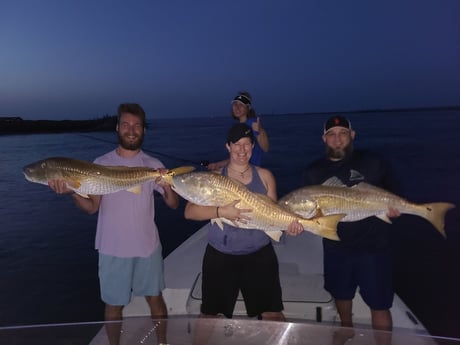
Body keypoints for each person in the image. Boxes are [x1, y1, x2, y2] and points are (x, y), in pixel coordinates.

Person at [48, 103, 178, 345]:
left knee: (155, 298)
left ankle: (162, 343)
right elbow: (92, 207)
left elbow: (172, 204)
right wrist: (73, 192)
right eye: (126, 124)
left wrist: (167, 184)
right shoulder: (99, 164)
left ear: (143, 131)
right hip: (112, 248)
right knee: (112, 306)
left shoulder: (152, 164)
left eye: (137, 125)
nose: (131, 130)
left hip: (147, 246)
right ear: (118, 128)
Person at [185, 123, 303, 322]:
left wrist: (289, 226)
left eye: (247, 144)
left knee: (272, 313)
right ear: (228, 147)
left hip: (259, 255)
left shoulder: (265, 176)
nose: (242, 150)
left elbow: (273, 214)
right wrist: (221, 211)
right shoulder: (214, 178)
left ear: (253, 147)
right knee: (210, 315)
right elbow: (189, 212)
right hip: (220, 256)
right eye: (237, 144)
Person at [302, 116, 400, 344]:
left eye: (342, 133)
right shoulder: (313, 171)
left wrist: (395, 207)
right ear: (324, 138)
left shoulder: (373, 161)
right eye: (332, 134)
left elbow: (395, 191)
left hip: (374, 247)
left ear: (352, 135)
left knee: (379, 303)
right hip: (336, 246)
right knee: (341, 295)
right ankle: (346, 328)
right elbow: (308, 208)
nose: (337, 139)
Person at [207, 91, 269, 169]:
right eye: (235, 104)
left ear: (248, 108)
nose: (237, 107)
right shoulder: (238, 127)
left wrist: (260, 131)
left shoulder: (252, 124)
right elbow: (239, 156)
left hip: (251, 172)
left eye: (241, 105)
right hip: (240, 170)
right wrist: (218, 164)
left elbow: (265, 148)